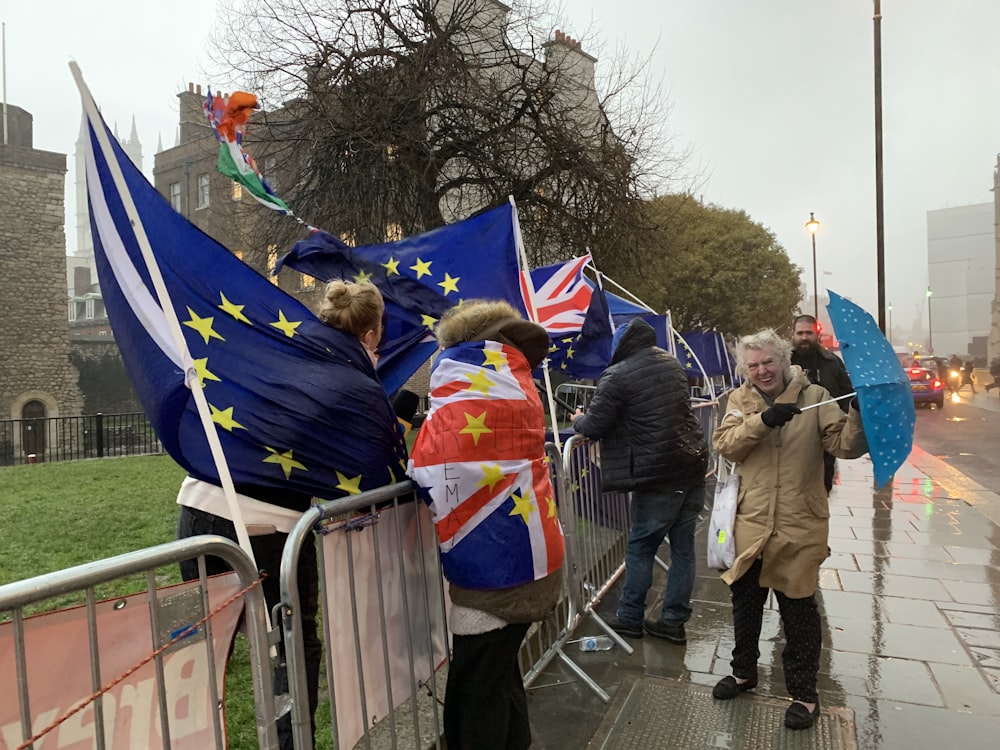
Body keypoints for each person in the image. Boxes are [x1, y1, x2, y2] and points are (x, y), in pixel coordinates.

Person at [176, 280, 393, 750]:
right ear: (372, 334)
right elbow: (376, 465)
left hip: (197, 505)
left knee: (199, 648)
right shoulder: (354, 379)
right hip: (269, 527)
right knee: (291, 646)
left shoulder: (284, 347)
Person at [408, 300, 565, 750]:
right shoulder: (511, 383)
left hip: (496, 577)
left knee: (472, 698)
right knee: (499, 680)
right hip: (529, 558)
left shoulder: (474, 388)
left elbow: (426, 468)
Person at [711, 329, 868, 730]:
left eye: (768, 362)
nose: (762, 371)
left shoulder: (815, 398)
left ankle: (803, 694)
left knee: (798, 612)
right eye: (753, 365)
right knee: (745, 604)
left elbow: (845, 446)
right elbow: (726, 444)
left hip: (800, 523)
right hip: (751, 522)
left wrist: (859, 413)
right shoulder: (738, 400)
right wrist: (763, 422)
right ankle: (743, 671)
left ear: (783, 360)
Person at [570, 317, 708, 644]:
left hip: (658, 473)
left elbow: (593, 426)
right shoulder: (670, 362)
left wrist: (578, 419)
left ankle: (630, 616)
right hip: (691, 464)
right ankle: (673, 621)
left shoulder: (617, 375)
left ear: (620, 344)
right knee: (683, 549)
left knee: (642, 546)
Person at [789, 314, 854, 494]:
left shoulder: (832, 363)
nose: (804, 337)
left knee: (822, 488)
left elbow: (846, 395)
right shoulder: (783, 363)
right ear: (793, 335)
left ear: (817, 334)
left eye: (808, 333)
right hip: (791, 437)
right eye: (800, 333)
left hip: (825, 438)